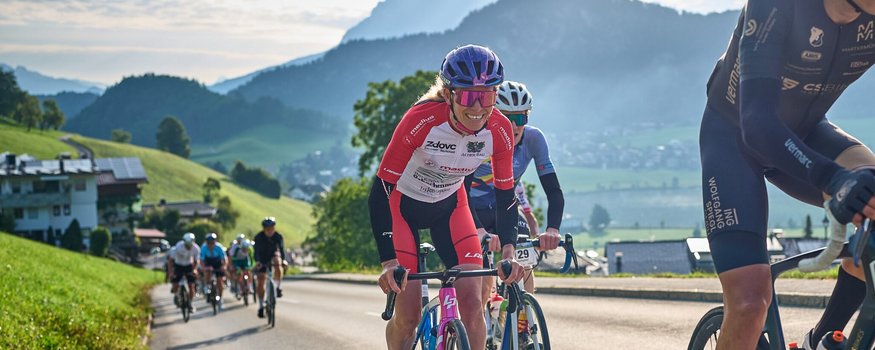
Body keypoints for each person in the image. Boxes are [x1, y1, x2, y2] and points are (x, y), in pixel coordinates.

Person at [699, 0, 875, 348]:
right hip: (735, 140)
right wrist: (834, 179)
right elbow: (757, 123)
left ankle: (822, 338)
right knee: (750, 302)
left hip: (807, 132)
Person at [368, 44, 526, 350]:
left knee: (472, 306)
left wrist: (508, 252)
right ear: (450, 93)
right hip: (403, 211)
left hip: (451, 210)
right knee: (408, 317)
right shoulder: (421, 120)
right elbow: (381, 191)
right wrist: (388, 261)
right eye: (468, 95)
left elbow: (506, 195)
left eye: (488, 95)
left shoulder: (499, 129)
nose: (478, 107)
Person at [468, 80, 564, 296]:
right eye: (506, 118)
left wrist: (552, 230)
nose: (515, 125)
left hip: (507, 209)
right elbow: (460, 192)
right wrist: (479, 231)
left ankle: (525, 324)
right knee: (483, 287)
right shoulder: (478, 140)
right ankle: (487, 324)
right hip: (474, 212)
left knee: (524, 264)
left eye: (521, 118)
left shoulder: (533, 139)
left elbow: (553, 190)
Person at [254, 216, 287, 318]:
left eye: (272, 228)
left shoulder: (278, 236)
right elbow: (256, 252)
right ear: (264, 229)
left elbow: (281, 250)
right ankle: (260, 306)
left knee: (278, 261)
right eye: (267, 229)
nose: (270, 231)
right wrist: (258, 261)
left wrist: (284, 260)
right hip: (262, 258)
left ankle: (278, 287)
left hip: (273, 256)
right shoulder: (258, 237)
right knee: (261, 281)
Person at [168, 232, 200, 312]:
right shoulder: (178, 247)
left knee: (191, 286)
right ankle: (176, 295)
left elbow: (196, 261)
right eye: (187, 245)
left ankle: (190, 303)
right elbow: (171, 261)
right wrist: (171, 272)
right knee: (175, 284)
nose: (189, 247)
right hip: (178, 265)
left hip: (189, 266)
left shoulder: (196, 248)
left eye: (190, 245)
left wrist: (194, 269)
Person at [199, 233, 228, 309]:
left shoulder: (219, 247)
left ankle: (220, 299)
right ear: (206, 242)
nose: (211, 245)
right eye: (209, 243)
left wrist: (224, 266)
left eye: (212, 243)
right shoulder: (204, 248)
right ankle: (207, 285)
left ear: (215, 242)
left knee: (220, 282)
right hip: (208, 263)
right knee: (207, 272)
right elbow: (201, 260)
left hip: (218, 263)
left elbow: (224, 259)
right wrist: (204, 267)